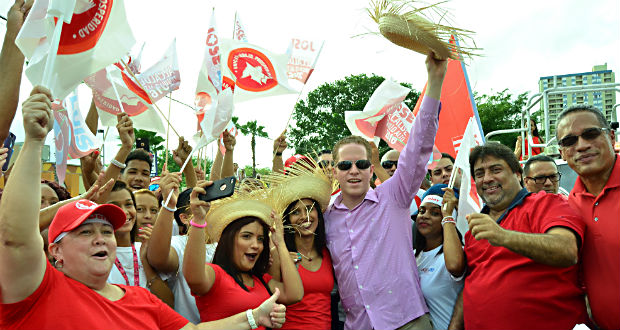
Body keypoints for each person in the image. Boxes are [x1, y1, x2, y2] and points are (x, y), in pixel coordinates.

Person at [0, 85, 286, 330]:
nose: (101, 238)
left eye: (106, 230)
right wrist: (35, 142)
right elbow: (13, 238)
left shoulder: (141, 299)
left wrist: (253, 317)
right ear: (55, 252)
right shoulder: (39, 290)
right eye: (85, 232)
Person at [325, 53, 446, 330]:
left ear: (372, 168)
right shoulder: (325, 214)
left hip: (407, 320)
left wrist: (435, 81)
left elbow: (417, 148)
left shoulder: (394, 196)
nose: (353, 170)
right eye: (345, 165)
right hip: (359, 325)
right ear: (335, 172)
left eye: (361, 164)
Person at [448, 142, 587, 329]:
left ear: (518, 174)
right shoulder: (476, 227)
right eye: (480, 173)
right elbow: (473, 282)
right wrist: (454, 327)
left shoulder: (545, 203)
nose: (487, 178)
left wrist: (503, 236)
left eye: (495, 170)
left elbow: (567, 250)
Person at [183, 185, 303, 328]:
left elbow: (294, 294)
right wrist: (199, 219)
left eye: (260, 239)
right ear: (229, 241)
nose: (256, 245)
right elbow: (193, 276)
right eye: (247, 236)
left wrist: (280, 243)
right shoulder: (215, 275)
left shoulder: (261, 280)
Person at [556, 104, 619, 329]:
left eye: (591, 134)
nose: (581, 146)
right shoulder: (568, 206)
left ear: (611, 137)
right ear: (562, 152)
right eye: (569, 141)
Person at [265, 161, 335, 330]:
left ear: (318, 213)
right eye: (296, 212)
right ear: (287, 220)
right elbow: (268, 302)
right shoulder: (278, 255)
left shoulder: (328, 252)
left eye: (310, 208)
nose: (305, 216)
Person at [147, 173, 219, 324]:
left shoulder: (227, 246)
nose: (207, 213)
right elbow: (157, 259)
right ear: (184, 219)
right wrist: (169, 205)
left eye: (211, 208)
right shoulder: (179, 244)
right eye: (199, 208)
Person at [414, 186, 464, 330]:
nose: (424, 216)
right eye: (421, 211)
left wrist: (447, 215)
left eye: (435, 213)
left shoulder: (457, 254)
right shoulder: (412, 255)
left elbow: (455, 266)